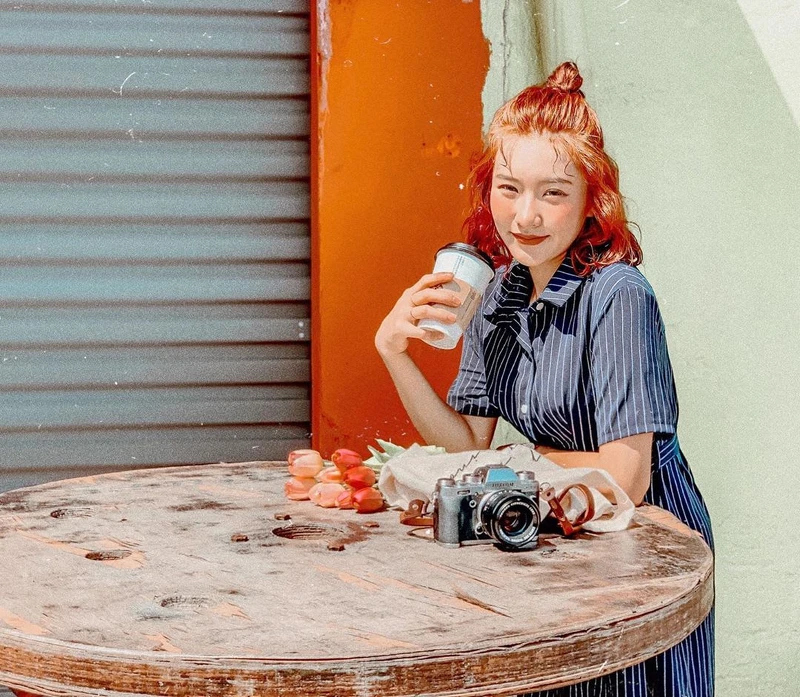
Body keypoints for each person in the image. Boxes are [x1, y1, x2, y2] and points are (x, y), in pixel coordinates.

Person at [374, 62, 713, 697]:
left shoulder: (617, 294)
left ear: (591, 200)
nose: (525, 215)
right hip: (554, 539)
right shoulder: (497, 294)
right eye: (508, 189)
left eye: (553, 193)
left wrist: (518, 459)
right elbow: (466, 445)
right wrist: (394, 352)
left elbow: (626, 477)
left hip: (644, 546)